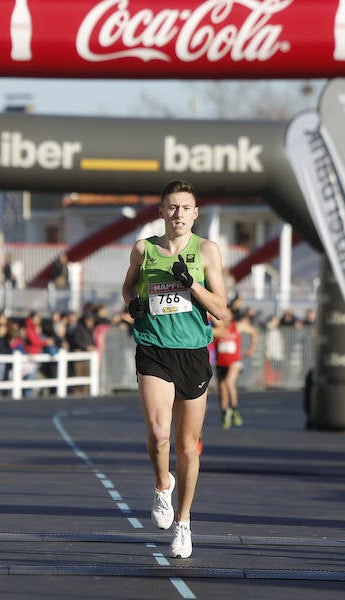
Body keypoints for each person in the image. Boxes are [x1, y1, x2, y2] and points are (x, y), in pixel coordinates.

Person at [121, 179, 227, 559]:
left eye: (186, 207)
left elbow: (222, 311)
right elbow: (129, 289)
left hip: (194, 353)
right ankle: (162, 486)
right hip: (153, 348)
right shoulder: (143, 250)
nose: (178, 214)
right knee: (158, 431)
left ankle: (183, 523)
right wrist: (134, 304)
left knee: (187, 446)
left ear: (195, 213)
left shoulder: (208, 252)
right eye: (172, 207)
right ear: (161, 212)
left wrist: (192, 285)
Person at [212, 308, 257, 429]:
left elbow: (253, 331)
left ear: (232, 316)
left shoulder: (236, 326)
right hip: (221, 362)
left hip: (234, 362)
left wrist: (253, 347)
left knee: (229, 382)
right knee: (222, 390)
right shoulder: (217, 328)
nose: (225, 316)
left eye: (228, 314)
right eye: (223, 314)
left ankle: (234, 409)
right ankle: (225, 412)